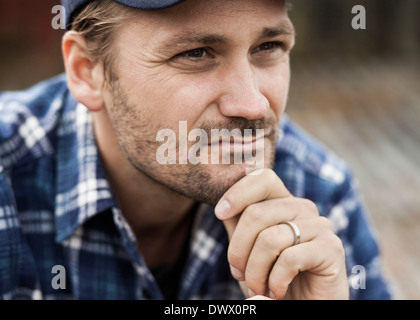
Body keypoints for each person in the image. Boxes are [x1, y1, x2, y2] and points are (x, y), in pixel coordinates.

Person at [0, 0, 392, 300]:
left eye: (269, 45)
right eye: (195, 53)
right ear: (87, 70)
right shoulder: (9, 183)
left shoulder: (318, 194)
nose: (252, 105)